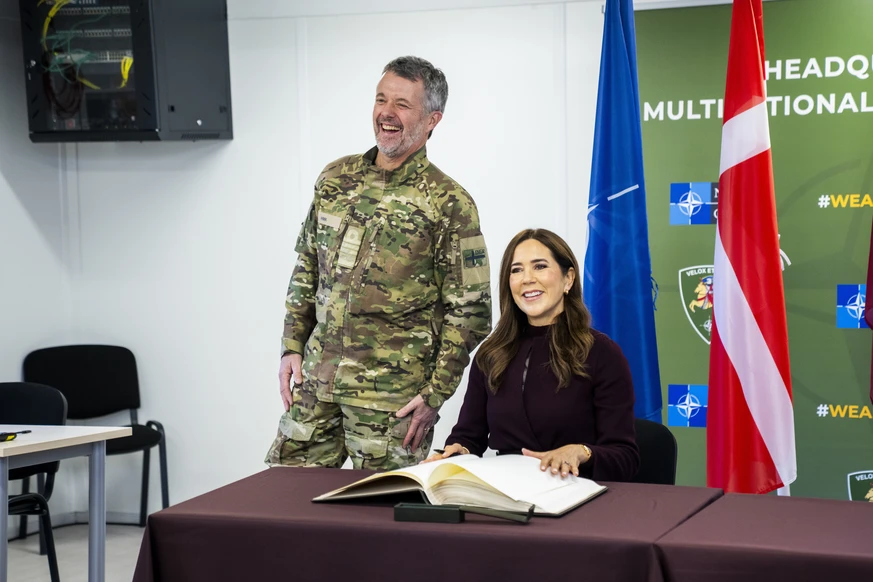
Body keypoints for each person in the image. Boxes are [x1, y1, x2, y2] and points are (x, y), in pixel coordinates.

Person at [265, 56, 492, 471]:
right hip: (317, 384)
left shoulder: (449, 203)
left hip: (392, 402)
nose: (387, 113)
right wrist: (291, 345)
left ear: (432, 120)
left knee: (381, 523)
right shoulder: (335, 179)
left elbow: (472, 313)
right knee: (285, 509)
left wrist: (435, 394)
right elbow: (306, 268)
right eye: (381, 99)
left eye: (402, 104)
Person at [425, 229, 640, 482]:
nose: (527, 279)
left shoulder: (602, 353)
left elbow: (626, 458)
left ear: (568, 279)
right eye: (516, 270)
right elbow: (468, 437)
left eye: (539, 266)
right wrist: (457, 451)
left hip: (578, 495)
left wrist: (582, 452)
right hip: (507, 493)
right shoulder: (491, 353)